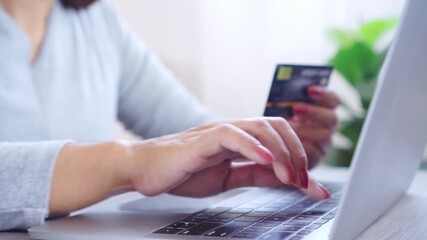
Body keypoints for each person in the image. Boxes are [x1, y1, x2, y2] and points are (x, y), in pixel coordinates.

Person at [0, 0, 340, 231]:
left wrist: (271, 146)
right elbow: (149, 159)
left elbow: (189, 136)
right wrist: (130, 164)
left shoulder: (96, 21)